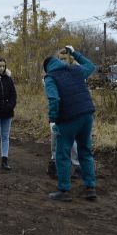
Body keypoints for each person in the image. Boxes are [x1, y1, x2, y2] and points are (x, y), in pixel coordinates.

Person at [43, 46, 97, 201]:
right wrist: (74, 53)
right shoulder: (76, 70)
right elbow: (90, 66)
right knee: (85, 152)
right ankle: (91, 188)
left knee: (62, 154)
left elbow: (54, 99)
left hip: (69, 119)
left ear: (47, 68)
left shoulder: (51, 77)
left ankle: (64, 191)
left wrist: (52, 120)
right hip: (87, 114)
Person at [48, 47, 83, 180]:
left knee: (72, 140)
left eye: (65, 58)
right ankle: (55, 164)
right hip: (59, 110)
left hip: (73, 110)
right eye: (60, 58)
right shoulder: (56, 72)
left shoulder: (76, 71)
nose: (62, 61)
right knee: (55, 137)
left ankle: (78, 166)